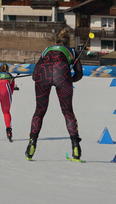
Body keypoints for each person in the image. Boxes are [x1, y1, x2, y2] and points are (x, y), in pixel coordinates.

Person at [25, 27, 83, 160]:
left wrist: (42, 76)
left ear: (55, 42)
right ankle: (75, 147)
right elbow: (79, 75)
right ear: (68, 42)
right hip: (61, 73)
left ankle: (31, 145)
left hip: (43, 74)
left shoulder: (46, 50)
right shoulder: (72, 51)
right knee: (68, 112)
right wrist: (69, 78)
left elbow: (34, 75)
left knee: (39, 111)